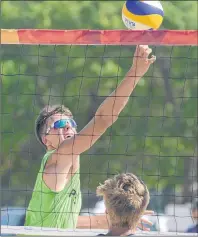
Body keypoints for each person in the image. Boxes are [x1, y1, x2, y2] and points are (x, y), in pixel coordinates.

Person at [25, 45, 156, 229]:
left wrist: (110, 221)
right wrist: (135, 73)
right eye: (59, 124)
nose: (68, 126)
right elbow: (103, 119)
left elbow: (68, 223)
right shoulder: (58, 155)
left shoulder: (68, 166)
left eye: (71, 123)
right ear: (47, 141)